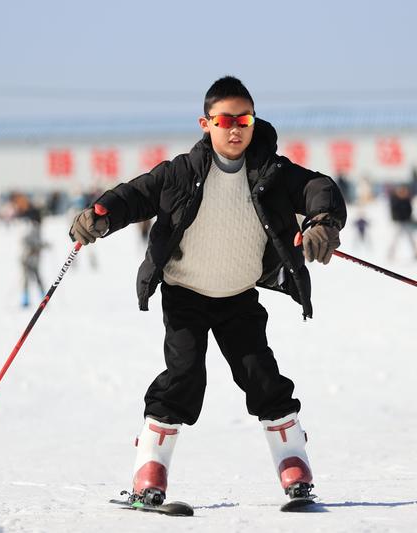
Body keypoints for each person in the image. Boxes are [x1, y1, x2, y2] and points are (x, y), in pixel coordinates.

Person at [69, 76, 347, 508]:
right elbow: (135, 195)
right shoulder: (180, 172)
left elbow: (318, 187)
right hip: (185, 294)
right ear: (206, 123)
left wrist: (322, 221)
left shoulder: (272, 172)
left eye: (244, 119)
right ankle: (149, 473)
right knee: (182, 378)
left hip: (238, 296)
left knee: (263, 377)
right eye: (225, 120)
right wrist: (101, 215)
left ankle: (294, 466)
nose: (236, 129)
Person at [20, 208, 47, 307]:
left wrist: (45, 245)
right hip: (27, 259)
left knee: (38, 279)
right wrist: (33, 248)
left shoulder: (38, 227)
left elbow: (38, 242)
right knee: (26, 280)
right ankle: (25, 300)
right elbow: (23, 240)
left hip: (34, 260)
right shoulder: (32, 227)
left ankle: (43, 299)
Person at [387, 184, 417, 260]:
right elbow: (395, 212)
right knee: (395, 239)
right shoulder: (395, 200)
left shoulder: (407, 200)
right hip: (398, 222)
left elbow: (410, 211)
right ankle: (390, 254)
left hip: (407, 222)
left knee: (412, 239)